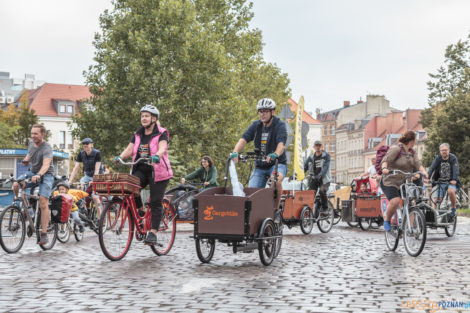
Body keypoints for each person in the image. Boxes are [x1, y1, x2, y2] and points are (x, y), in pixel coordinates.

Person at [114, 104, 173, 245]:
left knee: (155, 202)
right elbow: (129, 150)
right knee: (130, 189)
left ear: (154, 118)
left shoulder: (162, 132)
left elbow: (162, 147)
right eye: (142, 116)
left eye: (147, 116)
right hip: (141, 169)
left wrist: (157, 155)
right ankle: (140, 211)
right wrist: (120, 157)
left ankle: (153, 232)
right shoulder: (138, 133)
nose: (144, 118)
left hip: (157, 171)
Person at [230, 98, 287, 206]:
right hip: (260, 166)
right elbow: (243, 139)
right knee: (252, 194)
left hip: (277, 164)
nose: (262, 114)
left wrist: (275, 154)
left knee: (275, 179)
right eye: (261, 111)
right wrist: (235, 152)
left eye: (266, 111)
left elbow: (281, 144)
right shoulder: (256, 125)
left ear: (272, 112)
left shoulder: (279, 125)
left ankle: (275, 209)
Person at [12, 124, 55, 244]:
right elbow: (29, 156)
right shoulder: (31, 143)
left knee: (42, 201)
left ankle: (44, 233)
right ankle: (28, 210)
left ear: (43, 134)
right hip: (32, 173)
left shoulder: (47, 147)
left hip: (46, 175)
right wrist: (26, 161)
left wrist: (39, 175)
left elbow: (46, 164)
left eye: (36, 134)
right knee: (16, 185)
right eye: (32, 133)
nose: (33, 136)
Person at [380, 131, 427, 231]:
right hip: (390, 181)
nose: (415, 143)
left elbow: (418, 164)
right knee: (395, 201)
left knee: (411, 203)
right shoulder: (396, 149)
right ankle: (387, 220)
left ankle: (411, 228)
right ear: (411, 140)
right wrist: (384, 169)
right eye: (415, 140)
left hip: (404, 182)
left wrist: (424, 172)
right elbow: (385, 160)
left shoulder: (412, 152)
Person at [68, 137, 104, 215]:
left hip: (98, 176)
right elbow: (76, 168)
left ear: (92, 145)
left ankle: (101, 219)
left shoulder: (97, 153)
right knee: (79, 188)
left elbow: (97, 169)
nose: (85, 148)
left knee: (95, 197)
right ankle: (85, 210)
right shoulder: (81, 153)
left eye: (87, 146)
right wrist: (70, 181)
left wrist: (94, 180)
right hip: (87, 176)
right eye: (84, 146)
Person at [427, 143, 460, 219]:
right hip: (440, 182)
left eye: (445, 150)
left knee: (451, 191)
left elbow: (456, 170)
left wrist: (454, 179)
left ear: (449, 150)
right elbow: (432, 168)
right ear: (440, 151)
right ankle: (433, 218)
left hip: (451, 182)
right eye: (442, 150)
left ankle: (453, 208)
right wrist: (427, 177)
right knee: (436, 200)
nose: (444, 152)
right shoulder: (438, 158)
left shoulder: (453, 158)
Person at [304, 140, 332, 212]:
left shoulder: (326, 156)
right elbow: (304, 167)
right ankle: (309, 211)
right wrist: (297, 175)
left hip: (325, 179)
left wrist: (320, 175)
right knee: (310, 193)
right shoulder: (311, 157)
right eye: (316, 146)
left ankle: (325, 208)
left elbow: (325, 168)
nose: (318, 147)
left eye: (319, 145)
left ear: (321, 147)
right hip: (315, 179)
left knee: (322, 191)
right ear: (314, 147)